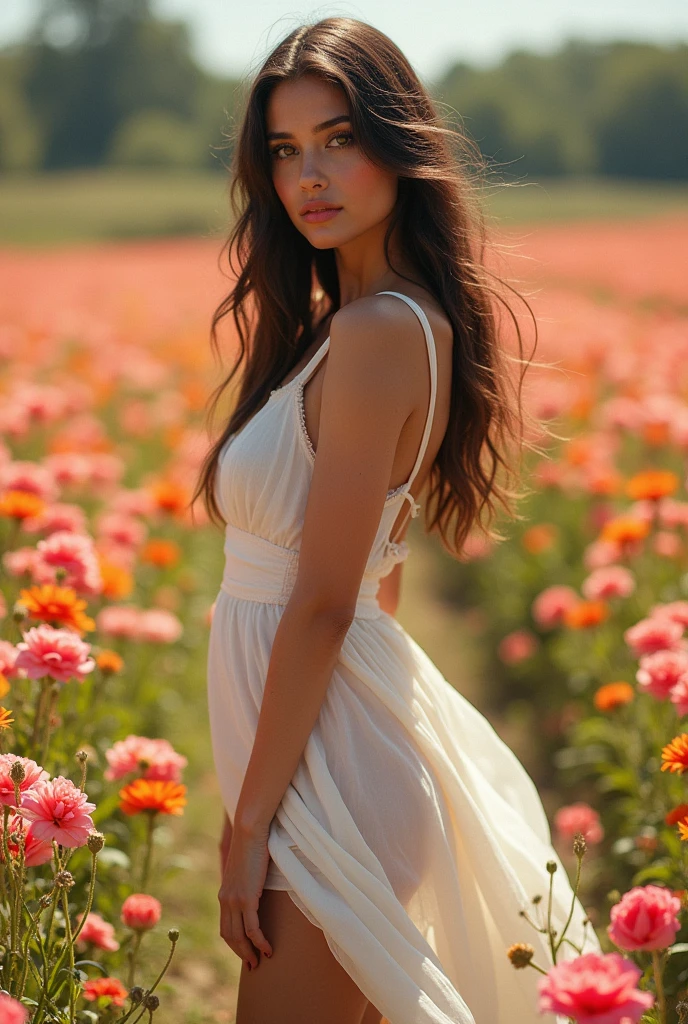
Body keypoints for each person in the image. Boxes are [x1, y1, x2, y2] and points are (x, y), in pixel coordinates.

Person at [194, 16, 601, 1024]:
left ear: (397, 139)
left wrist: (250, 828)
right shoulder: (364, 323)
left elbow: (329, 600)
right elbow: (380, 570)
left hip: (329, 782)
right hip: (327, 762)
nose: (308, 176)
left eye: (338, 137)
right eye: (283, 151)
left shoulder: (377, 333)